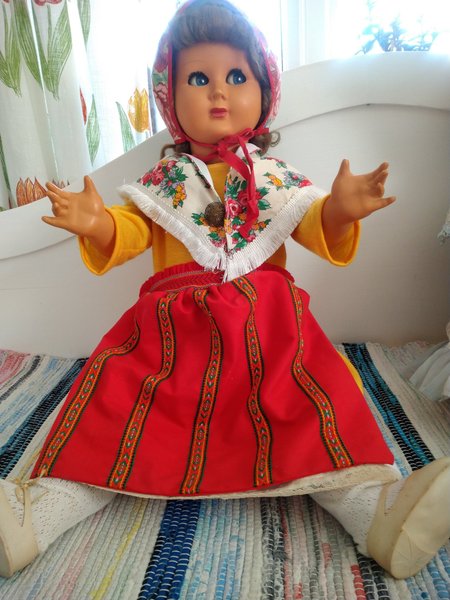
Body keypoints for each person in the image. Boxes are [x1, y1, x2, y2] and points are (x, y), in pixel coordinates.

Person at [1, 0, 448, 581]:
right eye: (198, 78)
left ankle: (379, 517)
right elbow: (133, 231)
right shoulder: (164, 181)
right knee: (115, 404)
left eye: (237, 75)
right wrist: (98, 223)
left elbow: (313, 225)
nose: (218, 90)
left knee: (313, 404)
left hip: (270, 335)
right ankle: (34, 518)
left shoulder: (275, 179)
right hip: (172, 339)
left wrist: (339, 210)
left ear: (264, 91)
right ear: (170, 98)